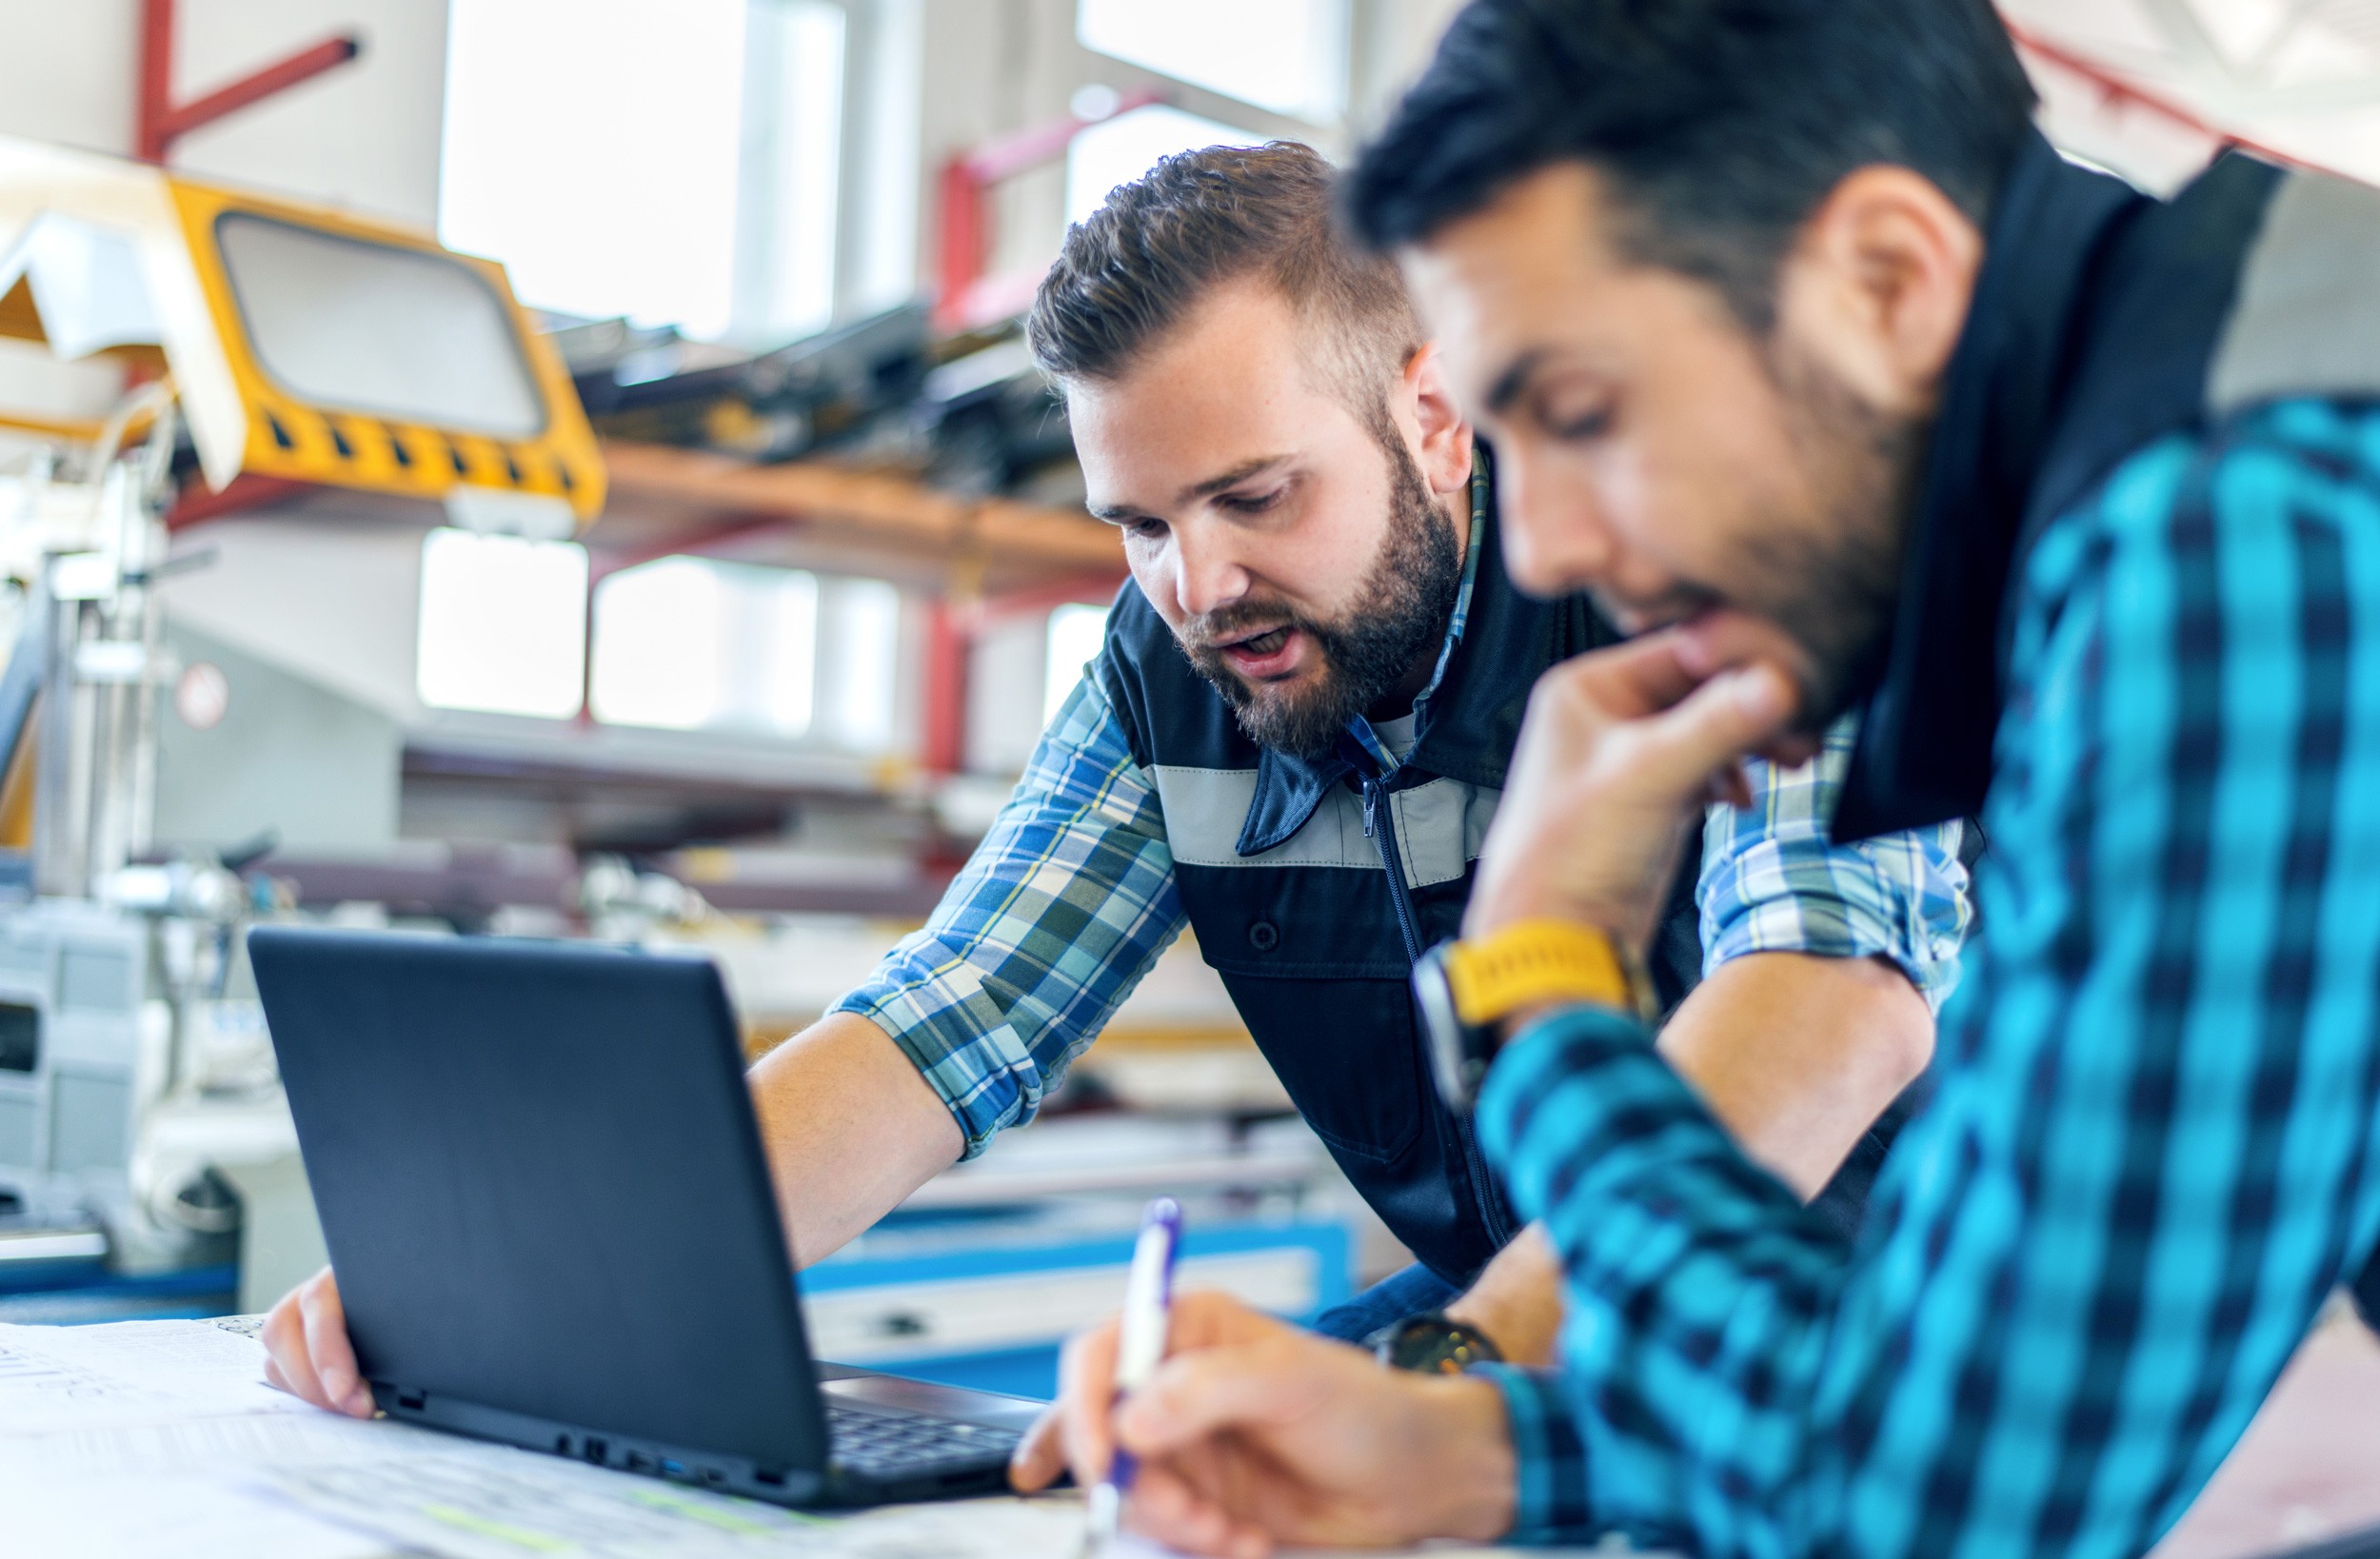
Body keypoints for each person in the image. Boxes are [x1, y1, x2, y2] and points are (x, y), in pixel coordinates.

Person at [258, 144, 1968, 1469]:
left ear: (1434, 415)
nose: (1197, 580)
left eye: (1254, 495)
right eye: (1138, 521)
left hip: (1926, 1340)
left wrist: (1452, 1381)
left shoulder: (1730, 572)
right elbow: (952, 1017)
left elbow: (1830, 1005)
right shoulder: (1177, 668)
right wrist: (533, 1290)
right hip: (1545, 1310)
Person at [1042, 0, 2380, 1555]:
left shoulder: (2248, 536)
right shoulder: (2186, 455)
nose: (1549, 544)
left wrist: (1544, 991)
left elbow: (1939, 1511)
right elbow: (1942, 1396)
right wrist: (1467, 1453)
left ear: (1885, 280)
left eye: (1587, 412)